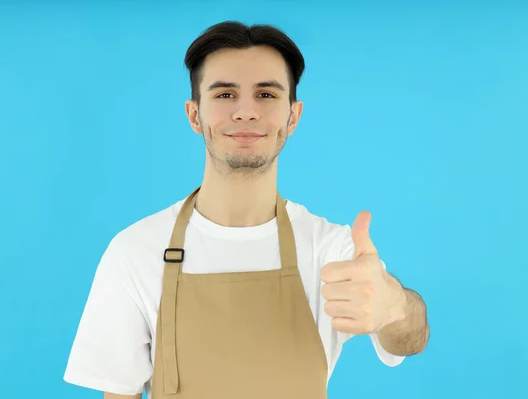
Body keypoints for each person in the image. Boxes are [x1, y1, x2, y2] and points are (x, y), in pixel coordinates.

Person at [63, 20, 430, 399]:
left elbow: (410, 338)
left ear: (293, 115)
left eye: (266, 95)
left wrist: (393, 304)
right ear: (194, 115)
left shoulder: (331, 251)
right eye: (224, 95)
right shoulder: (136, 252)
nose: (245, 112)